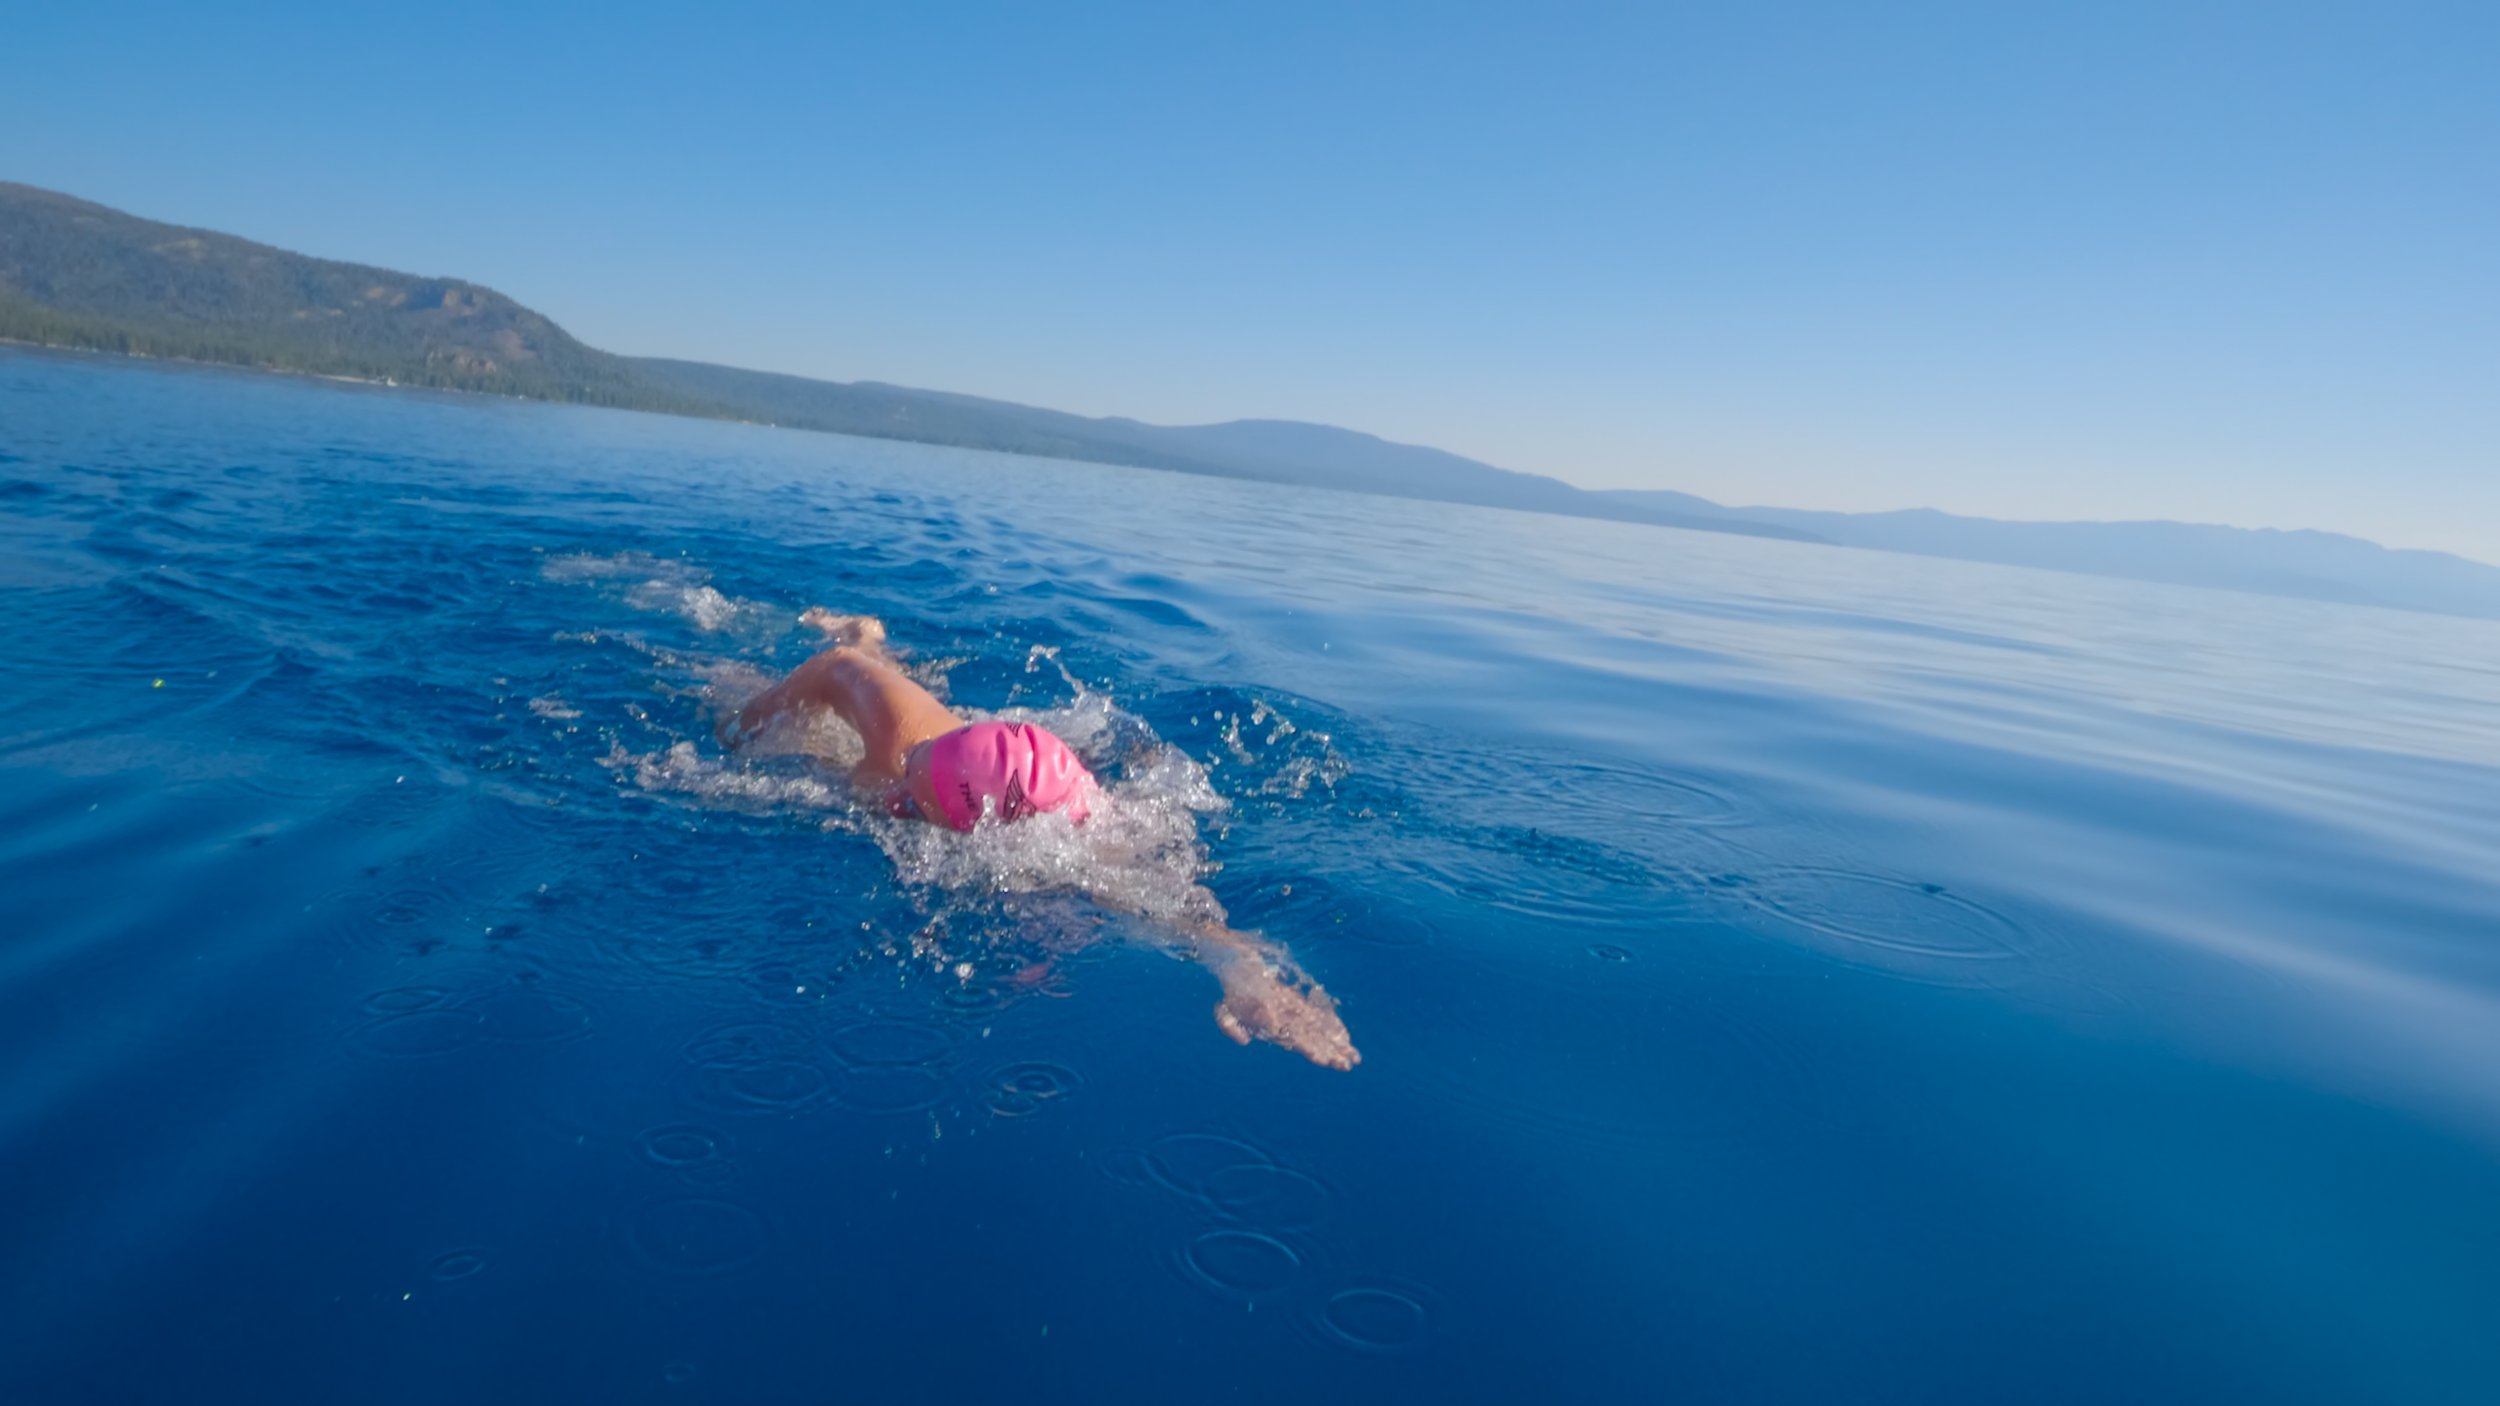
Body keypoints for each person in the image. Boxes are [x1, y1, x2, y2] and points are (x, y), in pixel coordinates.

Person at [723, 609, 1359, 1071]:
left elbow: (1178, 911)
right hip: (926, 730)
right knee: (793, 677)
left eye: (916, 797)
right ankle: (867, 628)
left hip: (1018, 792)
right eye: (916, 765)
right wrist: (749, 722)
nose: (903, 784)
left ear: (963, 829)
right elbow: (838, 669)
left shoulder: (1082, 850)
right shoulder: (904, 741)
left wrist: (1245, 974)